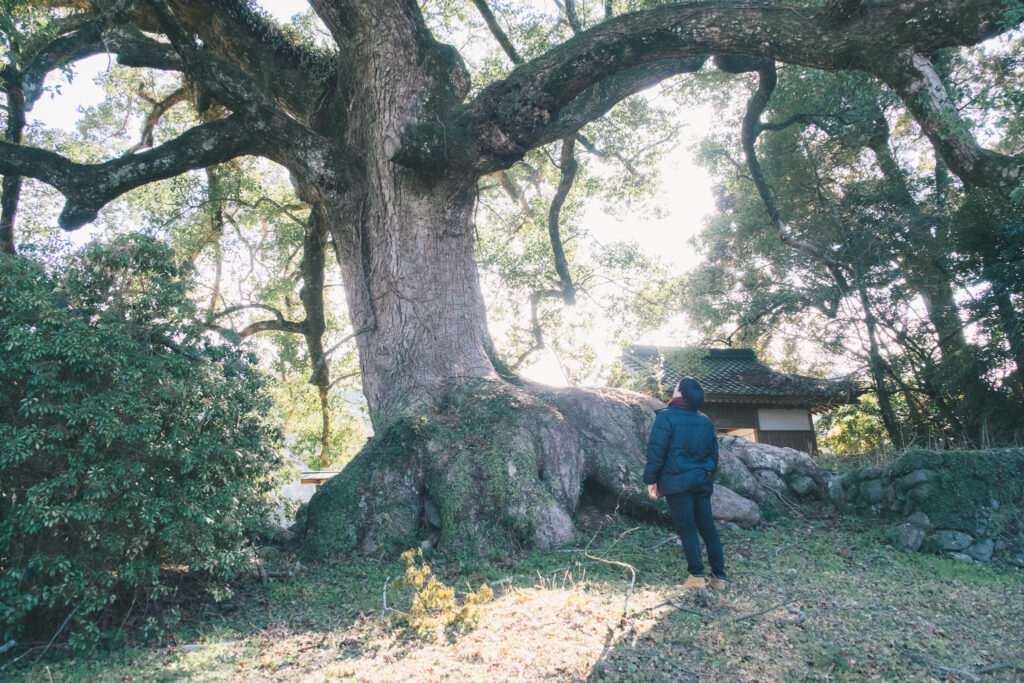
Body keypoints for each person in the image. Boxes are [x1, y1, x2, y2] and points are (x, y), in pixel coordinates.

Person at [644, 376, 726, 590]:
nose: (674, 390)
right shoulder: (705, 421)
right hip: (701, 482)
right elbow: (714, 456)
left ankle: (696, 577)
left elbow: (656, 452)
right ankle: (719, 578)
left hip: (677, 482)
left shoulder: (665, 418)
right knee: (708, 528)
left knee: (687, 528)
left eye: (676, 387)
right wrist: (708, 478)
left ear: (680, 393)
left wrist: (651, 480)